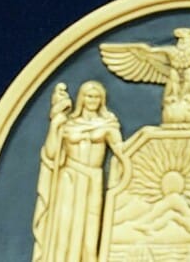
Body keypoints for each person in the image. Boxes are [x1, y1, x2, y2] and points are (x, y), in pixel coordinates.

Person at [32, 80, 127, 262]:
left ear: (102, 99)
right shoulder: (68, 125)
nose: (93, 100)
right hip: (69, 178)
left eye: (97, 96)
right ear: (82, 98)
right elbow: (51, 154)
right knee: (64, 230)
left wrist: (122, 174)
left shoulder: (108, 124)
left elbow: (121, 151)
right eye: (89, 96)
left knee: (90, 236)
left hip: (93, 179)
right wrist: (54, 126)